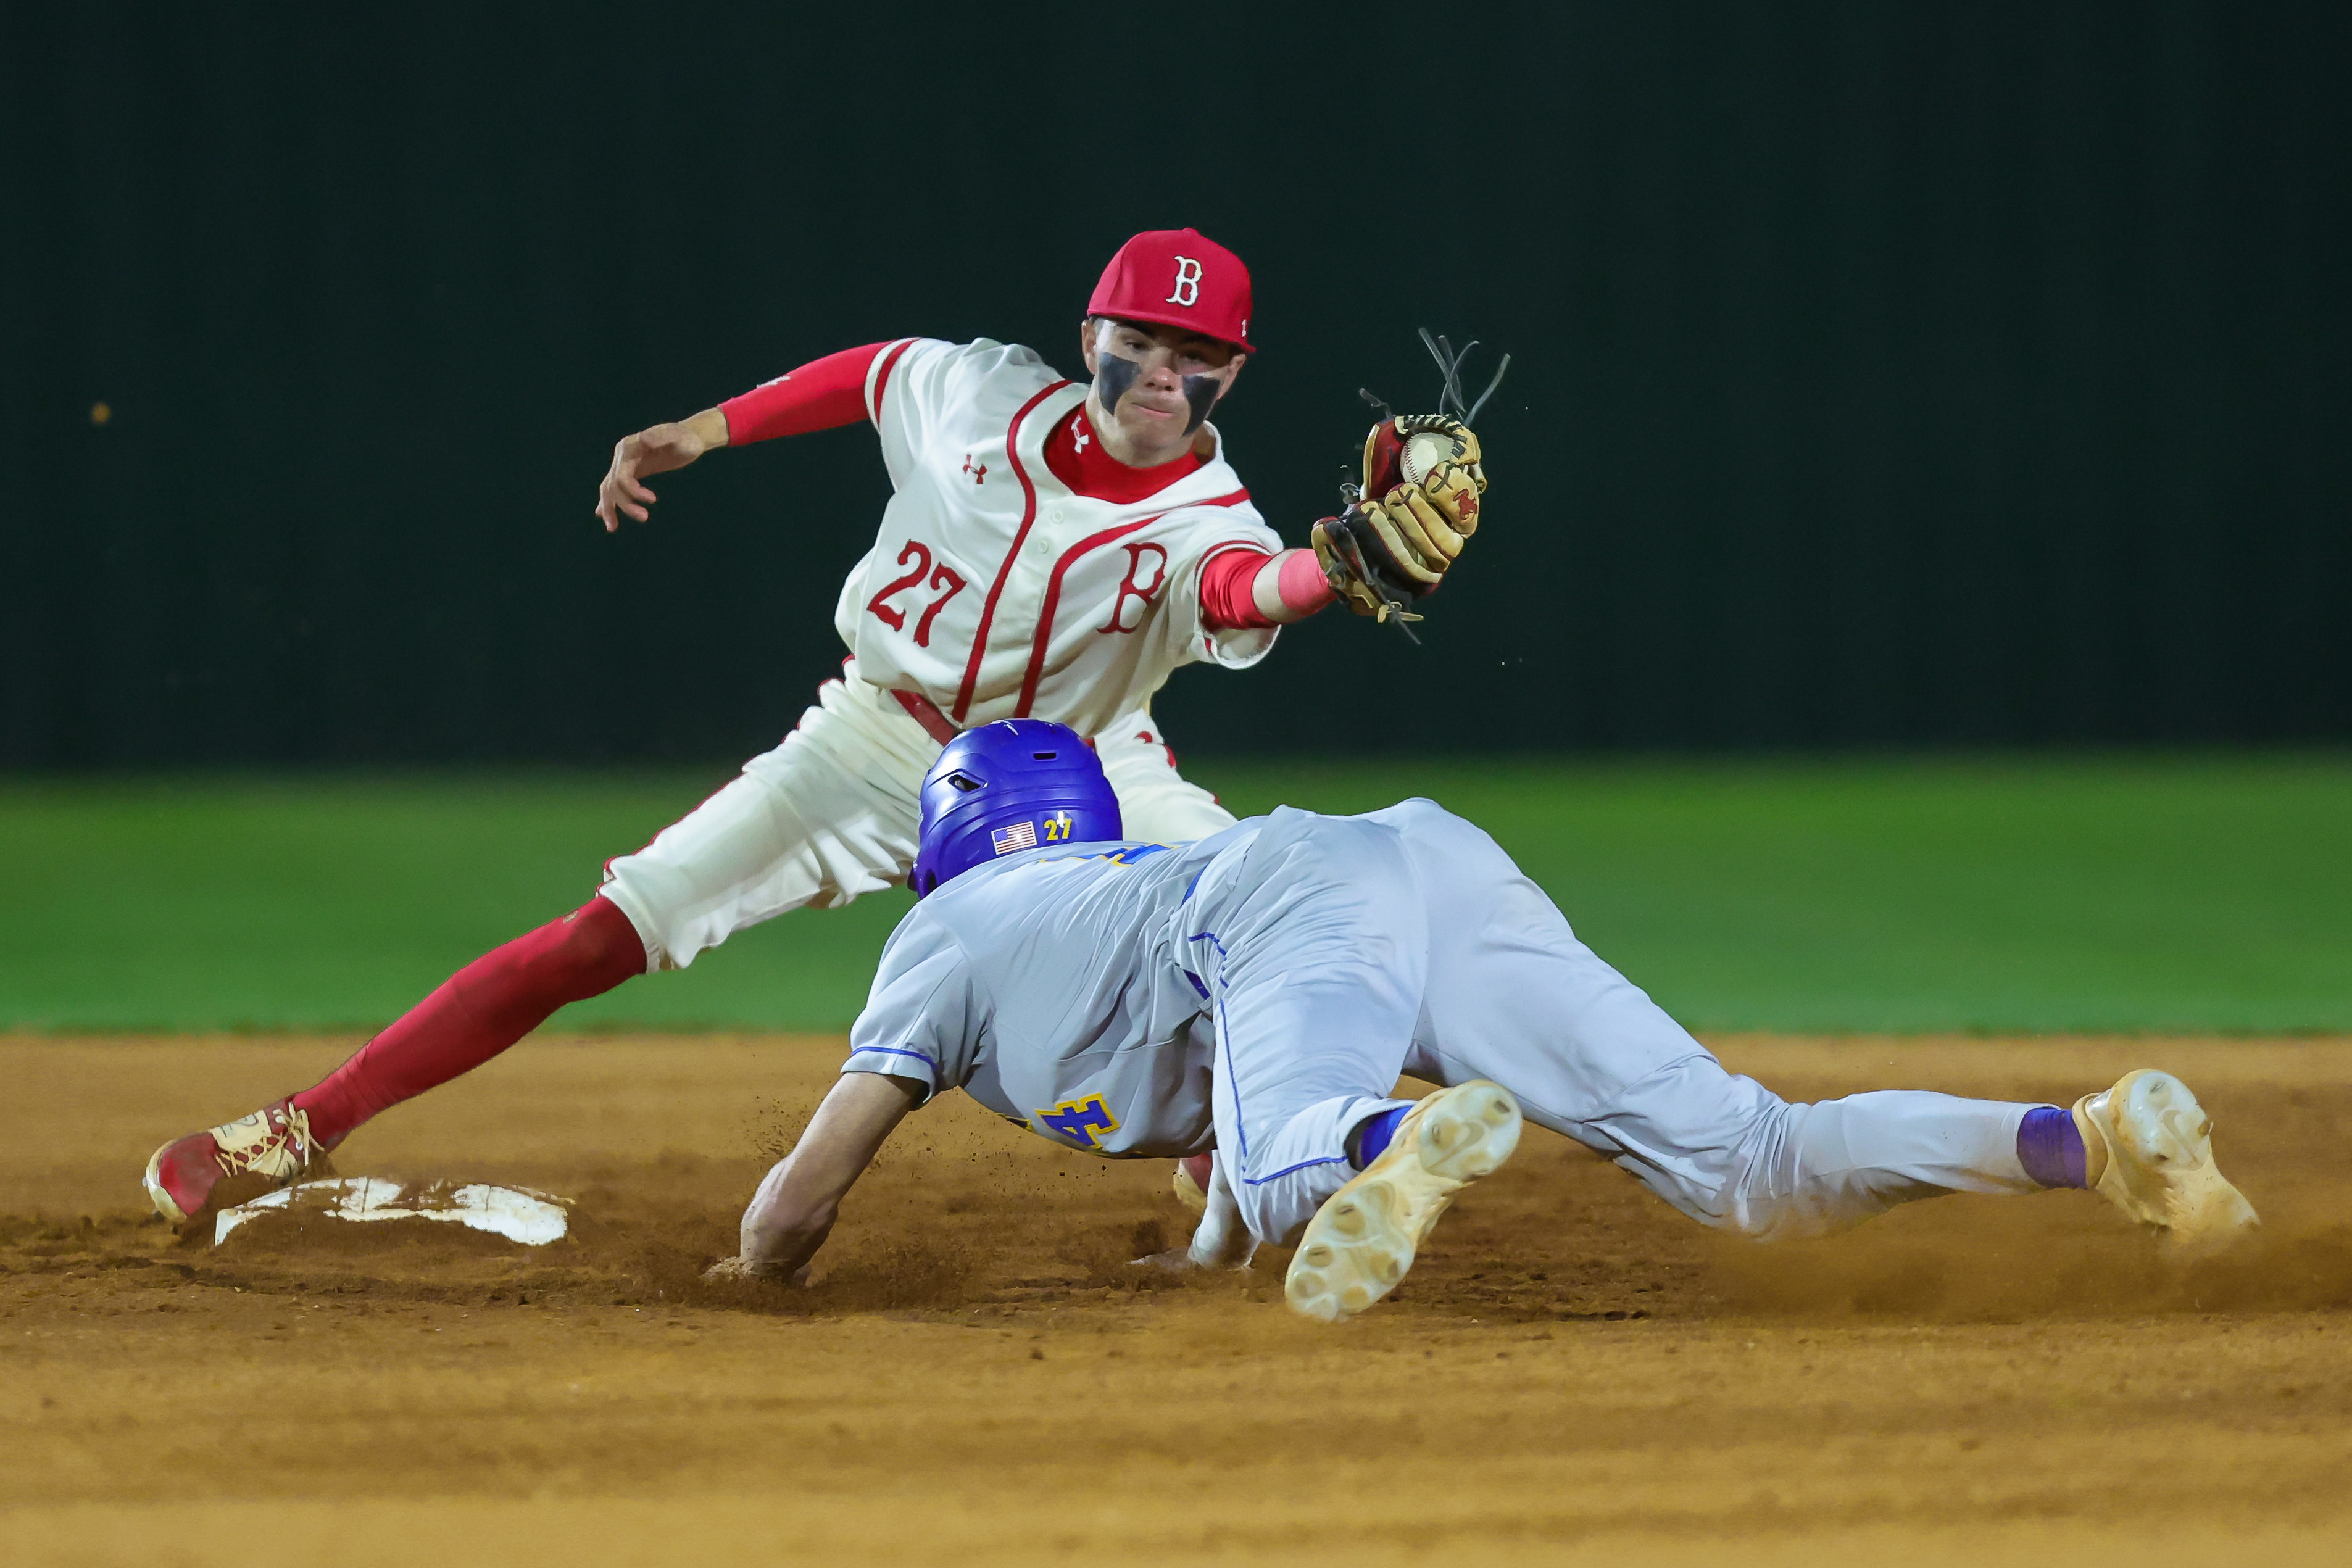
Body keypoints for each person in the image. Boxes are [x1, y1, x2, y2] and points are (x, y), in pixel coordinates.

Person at [144, 229, 1481, 1224]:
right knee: (604, 932)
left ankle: (1280, 1149)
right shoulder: (977, 393)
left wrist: (1339, 568)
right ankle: (294, 1130)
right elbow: (869, 374)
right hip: (871, 742)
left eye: (1197, 356)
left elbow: (1256, 587)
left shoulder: (1208, 517)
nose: (1161, 371)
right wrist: (705, 430)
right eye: (1142, 339)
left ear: (1234, 373)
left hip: (1086, 778)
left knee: (1266, 914)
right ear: (1092, 334)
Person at [710, 720, 2259, 1322]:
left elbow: (807, 1192)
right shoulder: (1113, 881)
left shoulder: (945, 928)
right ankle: (2086, 1140)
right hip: (1420, 861)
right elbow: (1231, 1097)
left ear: (954, 839)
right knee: (1751, 1159)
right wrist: (1199, 1257)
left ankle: (1400, 1133)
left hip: (1275, 899)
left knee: (1306, 1151)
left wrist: (749, 1268)